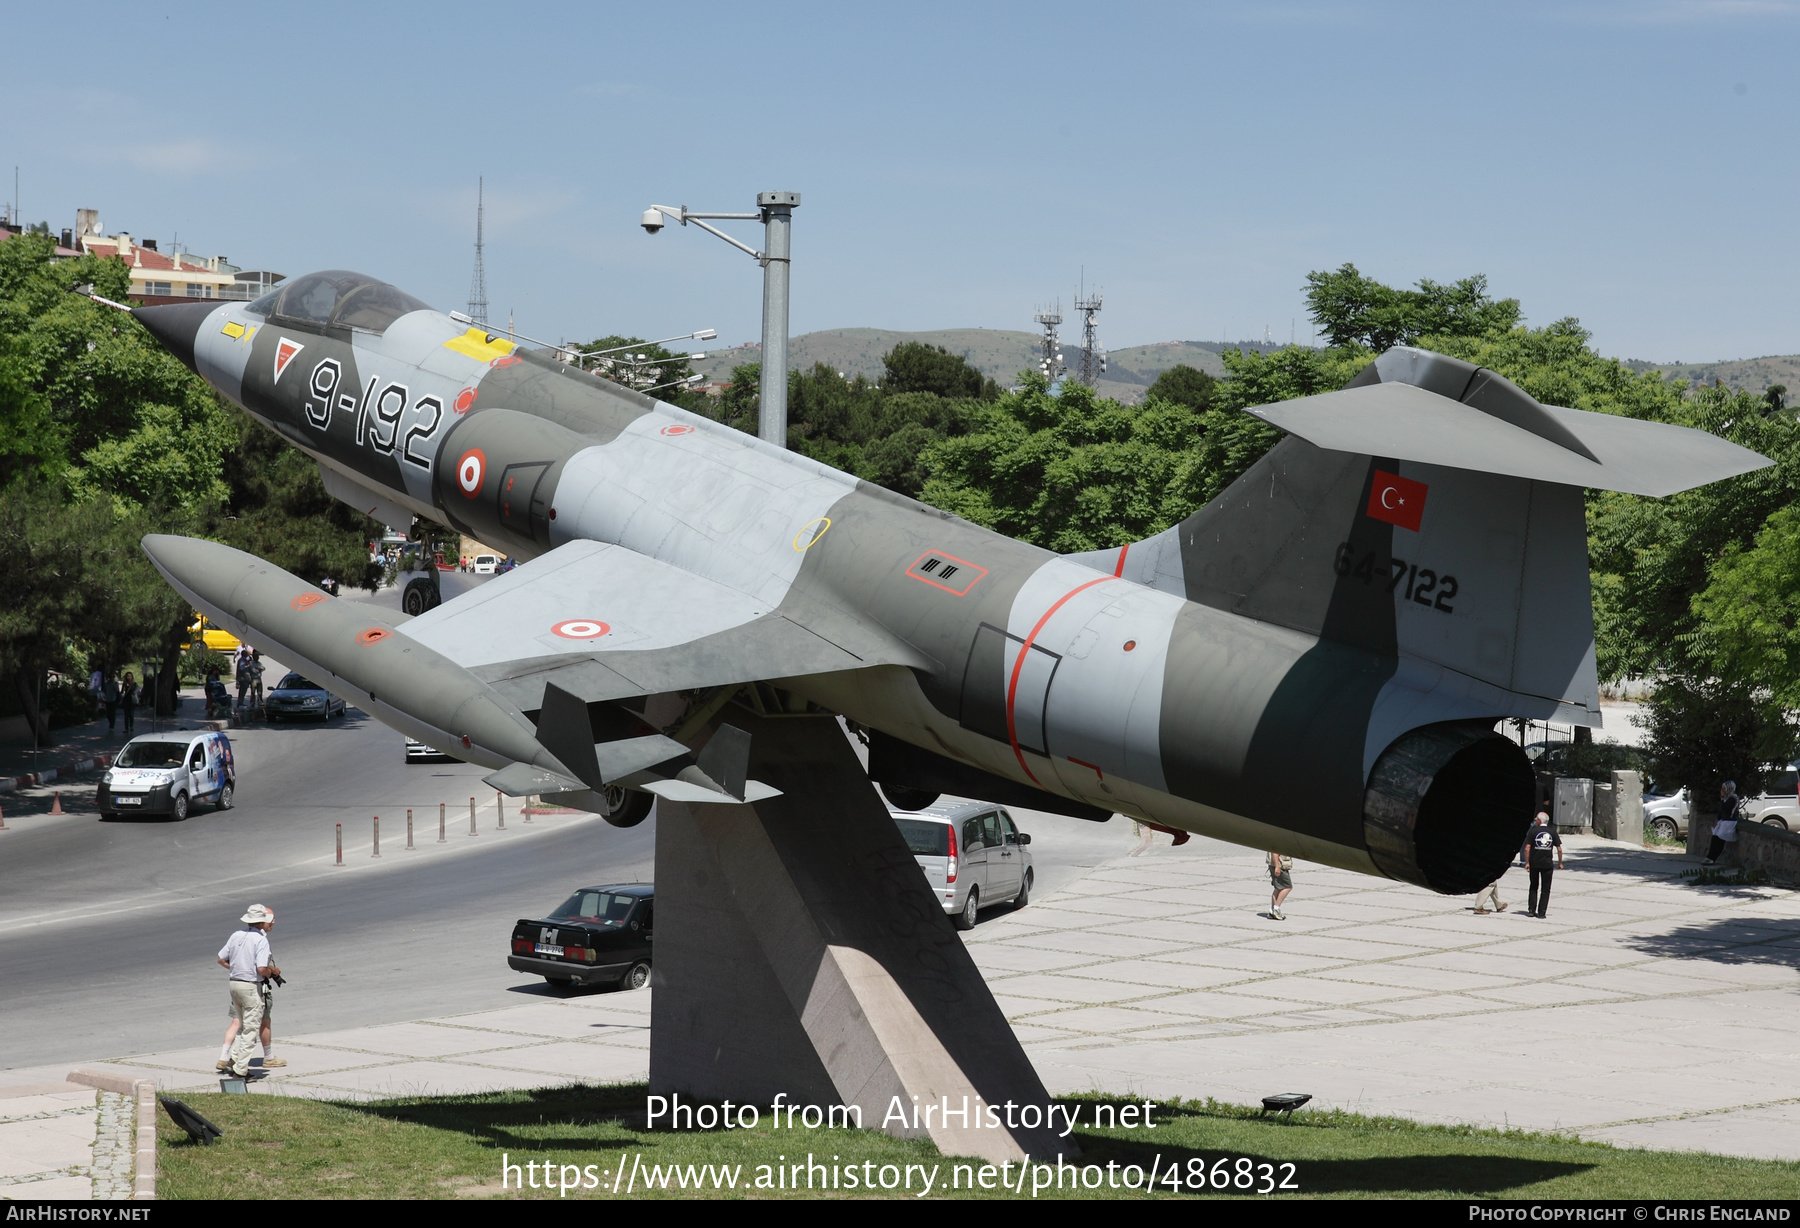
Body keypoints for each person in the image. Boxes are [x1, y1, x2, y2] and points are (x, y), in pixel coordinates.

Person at [217, 904, 282, 1076]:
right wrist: (272, 972)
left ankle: (233, 1060)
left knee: (241, 1026)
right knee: (251, 1029)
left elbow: (221, 959)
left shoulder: (236, 935)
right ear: (262, 922)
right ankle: (241, 1070)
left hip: (234, 983)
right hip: (250, 986)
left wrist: (238, 968)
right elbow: (261, 969)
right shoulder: (260, 940)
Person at [1522, 811, 1563, 917]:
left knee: (1533, 886)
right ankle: (1542, 912)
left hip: (1534, 863)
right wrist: (1560, 863)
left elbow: (1527, 848)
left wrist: (1527, 862)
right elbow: (1559, 849)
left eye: (1536, 820)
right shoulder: (1552, 831)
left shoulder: (1533, 831)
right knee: (1546, 889)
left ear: (1539, 821)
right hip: (1547, 864)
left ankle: (1531, 910)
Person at [1703, 780, 1745, 866]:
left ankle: (1713, 858)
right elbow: (1721, 811)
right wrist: (1717, 819)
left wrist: (1722, 799)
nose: (1723, 790)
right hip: (1723, 821)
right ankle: (1710, 856)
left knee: (1720, 840)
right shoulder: (1727, 798)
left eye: (1724, 788)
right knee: (1714, 838)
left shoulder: (1733, 798)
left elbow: (1726, 809)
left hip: (1729, 822)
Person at [1267, 850, 1294, 920]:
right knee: (1287, 887)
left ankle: (1273, 911)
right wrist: (1277, 867)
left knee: (1278, 888)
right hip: (1280, 866)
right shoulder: (1280, 840)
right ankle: (1276, 908)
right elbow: (1275, 852)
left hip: (1275, 865)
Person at [118, 671, 138, 735]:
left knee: (131, 715)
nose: (129, 677)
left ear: (132, 677)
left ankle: (131, 726)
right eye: (127, 676)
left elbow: (135, 691)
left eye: (130, 676)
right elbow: (121, 692)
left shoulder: (134, 684)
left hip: (132, 701)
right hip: (126, 701)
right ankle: (126, 728)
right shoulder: (124, 684)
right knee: (126, 716)